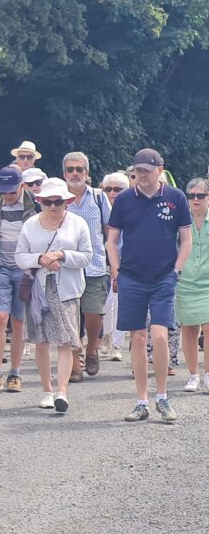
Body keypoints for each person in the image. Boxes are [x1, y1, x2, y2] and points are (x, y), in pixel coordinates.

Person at [107, 149, 192, 423]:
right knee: (138, 338)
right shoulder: (123, 199)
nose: (141, 175)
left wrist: (176, 269)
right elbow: (112, 240)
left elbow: (186, 239)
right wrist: (116, 268)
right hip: (131, 276)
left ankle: (162, 397)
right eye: (138, 170)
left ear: (160, 169)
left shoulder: (175, 197)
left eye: (146, 170)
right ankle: (141, 400)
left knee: (159, 334)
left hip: (163, 276)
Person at [15, 178, 93, 412]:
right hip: (38, 288)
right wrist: (40, 259)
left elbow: (87, 256)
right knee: (42, 339)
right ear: (40, 201)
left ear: (67, 201)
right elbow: (19, 257)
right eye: (48, 201)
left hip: (67, 289)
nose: (53, 206)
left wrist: (61, 256)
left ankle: (62, 391)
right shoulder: (30, 224)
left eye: (58, 201)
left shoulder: (78, 223)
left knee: (66, 340)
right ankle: (46, 390)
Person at [0, 165, 40, 395]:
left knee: (18, 321)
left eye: (12, 191)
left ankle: (15, 372)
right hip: (1, 268)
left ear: (21, 186)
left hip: (24, 269)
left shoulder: (33, 205)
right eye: (4, 191)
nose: (8, 195)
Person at [62, 153, 111, 381]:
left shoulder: (100, 199)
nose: (74, 174)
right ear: (64, 173)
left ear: (87, 173)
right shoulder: (58, 199)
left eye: (79, 169)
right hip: (67, 268)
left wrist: (114, 264)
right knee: (71, 318)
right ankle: (75, 361)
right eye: (70, 169)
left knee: (93, 314)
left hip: (95, 265)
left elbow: (109, 232)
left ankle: (92, 349)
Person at [177, 178, 209, 392]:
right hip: (185, 280)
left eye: (200, 195)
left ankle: (208, 374)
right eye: (191, 195)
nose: (195, 199)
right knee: (188, 329)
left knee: (208, 328)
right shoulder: (180, 219)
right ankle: (193, 375)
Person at [100, 172, 130, 360]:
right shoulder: (98, 206)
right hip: (99, 262)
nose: (112, 193)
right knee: (105, 305)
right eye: (108, 189)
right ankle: (107, 334)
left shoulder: (132, 208)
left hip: (123, 263)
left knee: (117, 302)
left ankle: (117, 344)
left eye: (117, 189)